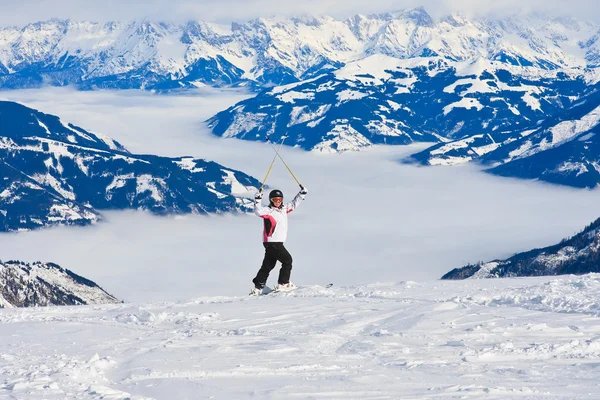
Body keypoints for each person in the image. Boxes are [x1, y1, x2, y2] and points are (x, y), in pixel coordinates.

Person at [251, 186, 308, 295]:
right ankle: (283, 283)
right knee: (287, 261)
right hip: (273, 242)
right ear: (271, 200)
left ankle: (259, 286)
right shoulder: (268, 211)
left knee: (268, 264)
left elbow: (294, 203)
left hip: (275, 243)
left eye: (279, 200)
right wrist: (257, 200)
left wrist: (302, 194)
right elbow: (258, 211)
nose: (277, 202)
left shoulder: (284, 209)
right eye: (275, 200)